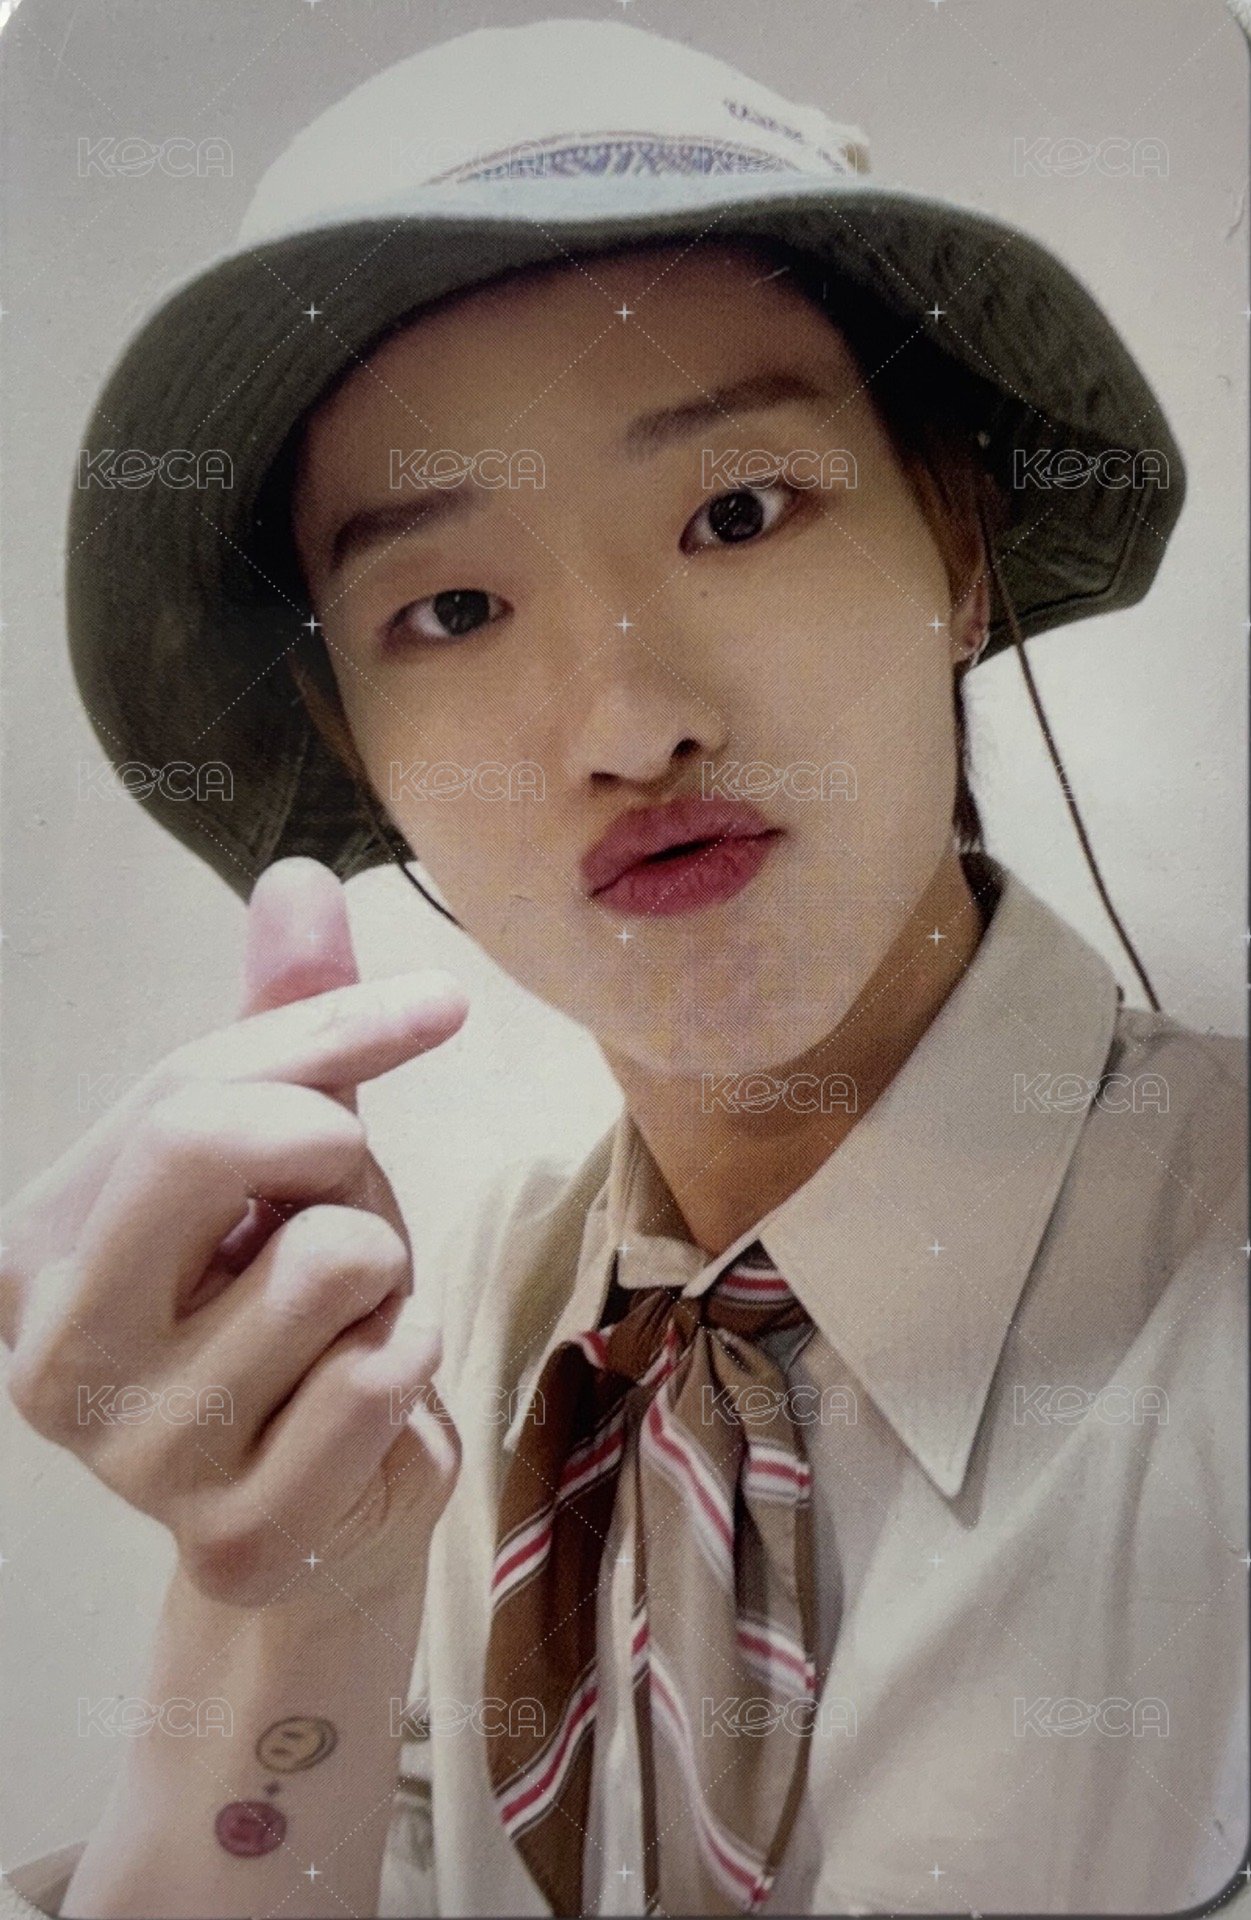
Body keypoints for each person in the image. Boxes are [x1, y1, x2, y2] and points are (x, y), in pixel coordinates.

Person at [3, 16, 1246, 1918]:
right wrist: (285, 1603)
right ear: (354, 748)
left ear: (958, 546)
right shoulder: (441, 1342)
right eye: (452, 606)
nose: (629, 726)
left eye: (738, 513)